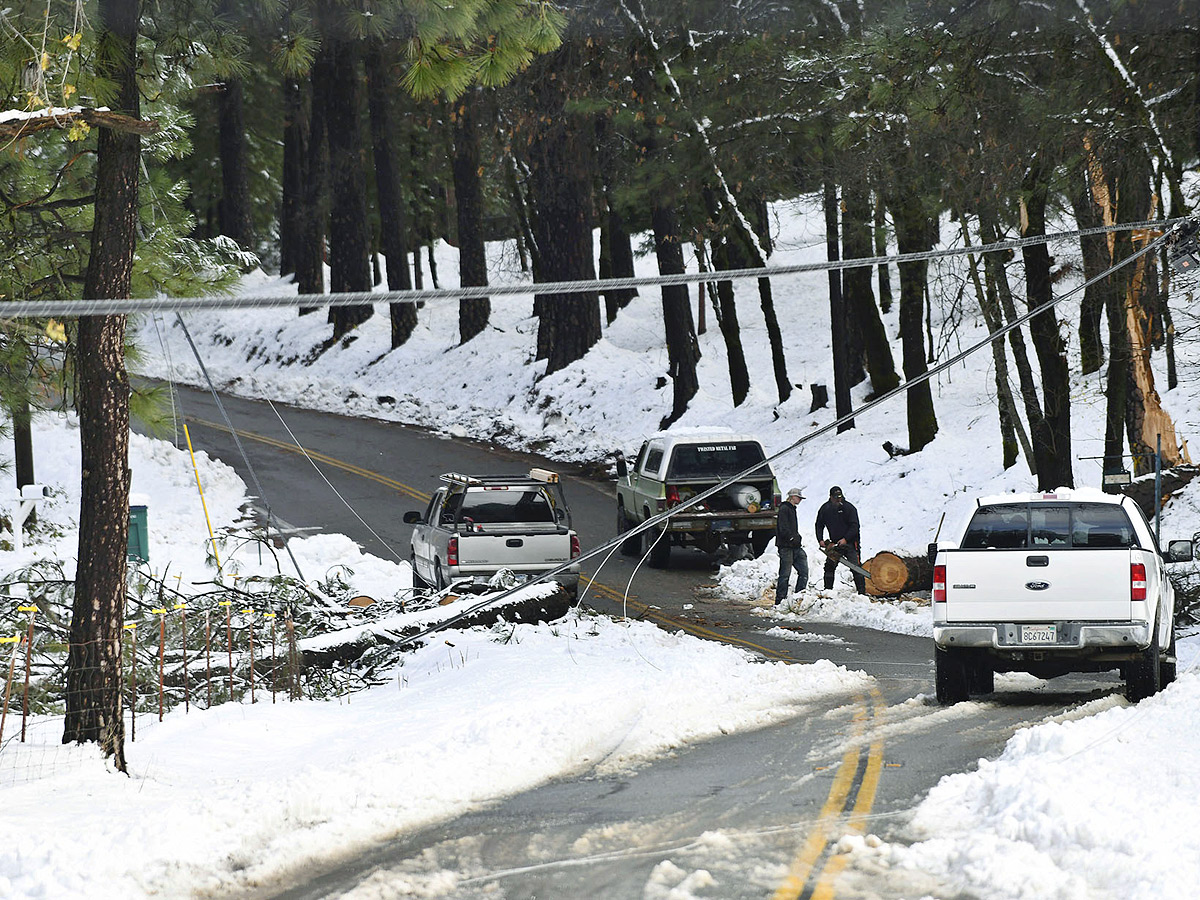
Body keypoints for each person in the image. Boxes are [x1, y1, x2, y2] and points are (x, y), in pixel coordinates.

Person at [815, 485, 866, 594]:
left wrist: (846, 539)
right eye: (836, 498)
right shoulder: (825, 509)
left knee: (855, 567)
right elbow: (819, 524)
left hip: (851, 542)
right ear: (830, 497)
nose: (838, 500)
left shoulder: (849, 508)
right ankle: (828, 591)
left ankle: (862, 593)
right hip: (834, 544)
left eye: (840, 497)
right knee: (829, 566)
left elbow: (855, 526)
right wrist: (820, 539)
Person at [774, 487, 808, 605]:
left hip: (795, 546)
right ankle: (780, 600)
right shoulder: (784, 509)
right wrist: (791, 538)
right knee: (785, 574)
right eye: (798, 497)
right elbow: (783, 528)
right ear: (792, 497)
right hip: (786, 546)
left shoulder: (792, 509)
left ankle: (798, 596)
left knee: (803, 571)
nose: (800, 500)